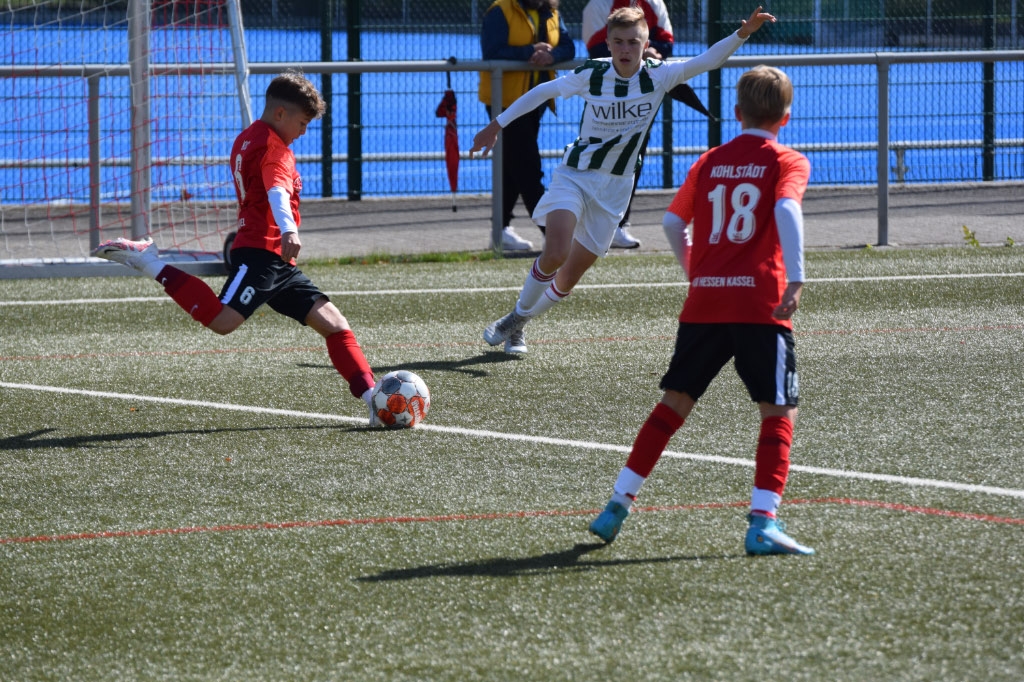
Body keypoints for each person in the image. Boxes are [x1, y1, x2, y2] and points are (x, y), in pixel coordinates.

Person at [588, 65, 814, 556]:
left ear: (736, 112)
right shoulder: (788, 160)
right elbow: (785, 209)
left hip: (705, 301)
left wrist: (696, 271)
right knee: (778, 410)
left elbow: (673, 222)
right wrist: (796, 278)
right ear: (786, 117)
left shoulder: (710, 161)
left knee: (673, 404)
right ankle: (763, 522)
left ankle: (617, 504)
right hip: (759, 302)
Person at [471, 6, 775, 355]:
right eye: (618, 42)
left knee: (569, 277)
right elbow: (542, 92)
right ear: (608, 43)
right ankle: (514, 321)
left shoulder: (659, 75)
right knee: (556, 252)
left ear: (645, 44)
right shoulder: (592, 73)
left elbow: (708, 60)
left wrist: (743, 33)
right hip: (575, 175)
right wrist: (496, 124)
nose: (626, 49)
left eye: (633, 42)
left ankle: (519, 321)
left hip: (615, 188)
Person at [91, 72, 379, 425]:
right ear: (280, 114)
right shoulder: (275, 149)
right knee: (223, 321)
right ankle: (148, 261)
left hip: (276, 260)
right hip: (261, 252)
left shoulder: (246, 138)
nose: (303, 132)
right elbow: (276, 191)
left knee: (335, 324)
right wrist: (289, 230)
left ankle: (373, 399)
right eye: (302, 123)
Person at [479, 0, 575, 252]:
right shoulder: (500, 10)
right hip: (505, 102)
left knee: (513, 167)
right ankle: (552, 235)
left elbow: (568, 46)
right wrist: (531, 51)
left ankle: (500, 230)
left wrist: (551, 55)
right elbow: (492, 51)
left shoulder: (552, 12)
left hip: (535, 102)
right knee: (528, 168)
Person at [582, 0, 674, 249]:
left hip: (642, 96)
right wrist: (638, 53)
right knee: (597, 160)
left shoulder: (654, 3)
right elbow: (595, 47)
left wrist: (651, 52)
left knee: (632, 160)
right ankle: (591, 224)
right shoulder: (599, 5)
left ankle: (618, 224)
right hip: (606, 98)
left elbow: (667, 42)